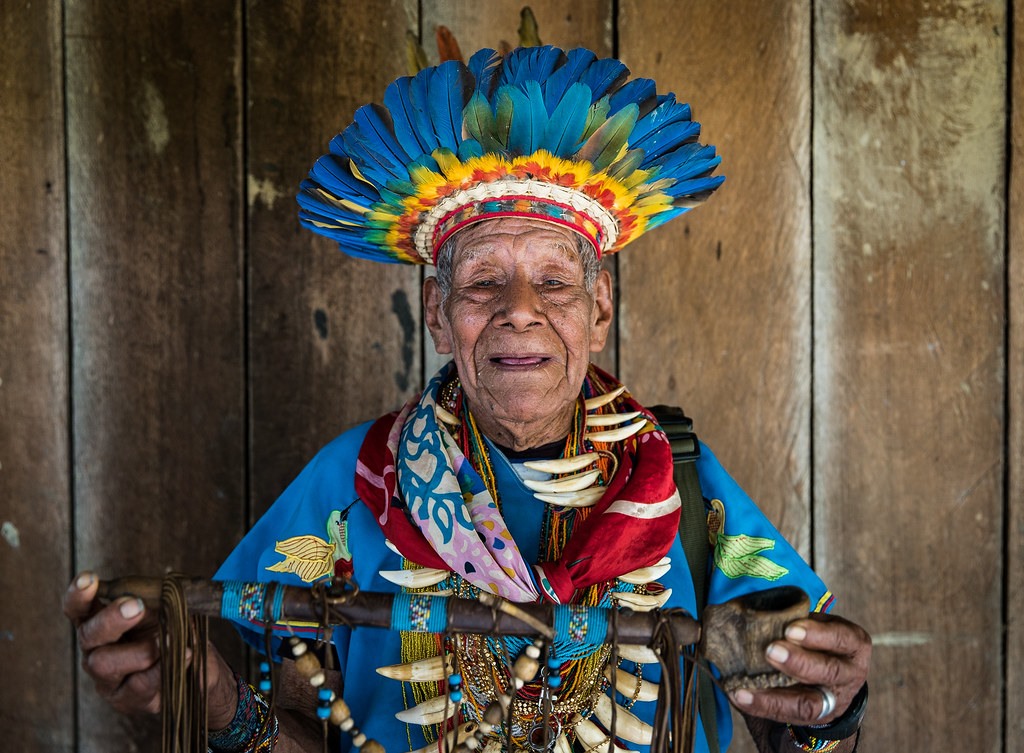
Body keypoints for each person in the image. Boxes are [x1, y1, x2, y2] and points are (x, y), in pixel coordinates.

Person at [65, 44, 871, 753]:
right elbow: (294, 723)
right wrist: (212, 702)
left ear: (599, 308)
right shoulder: (349, 488)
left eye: (554, 279)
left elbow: (790, 718)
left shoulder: (686, 487)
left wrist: (826, 709)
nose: (520, 307)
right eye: (484, 279)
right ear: (437, 314)